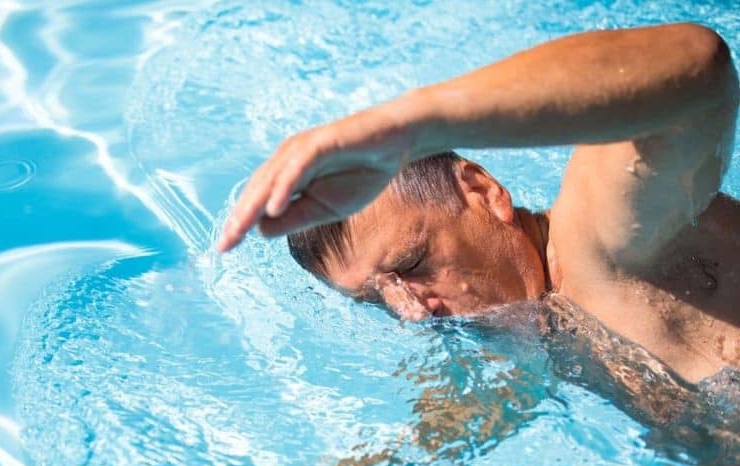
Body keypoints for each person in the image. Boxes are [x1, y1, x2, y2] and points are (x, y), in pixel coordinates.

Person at [217, 23, 739, 386]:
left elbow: (698, 65)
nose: (414, 315)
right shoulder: (540, 324)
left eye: (413, 265)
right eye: (376, 300)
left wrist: (414, 124)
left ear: (484, 192)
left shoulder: (597, 243)